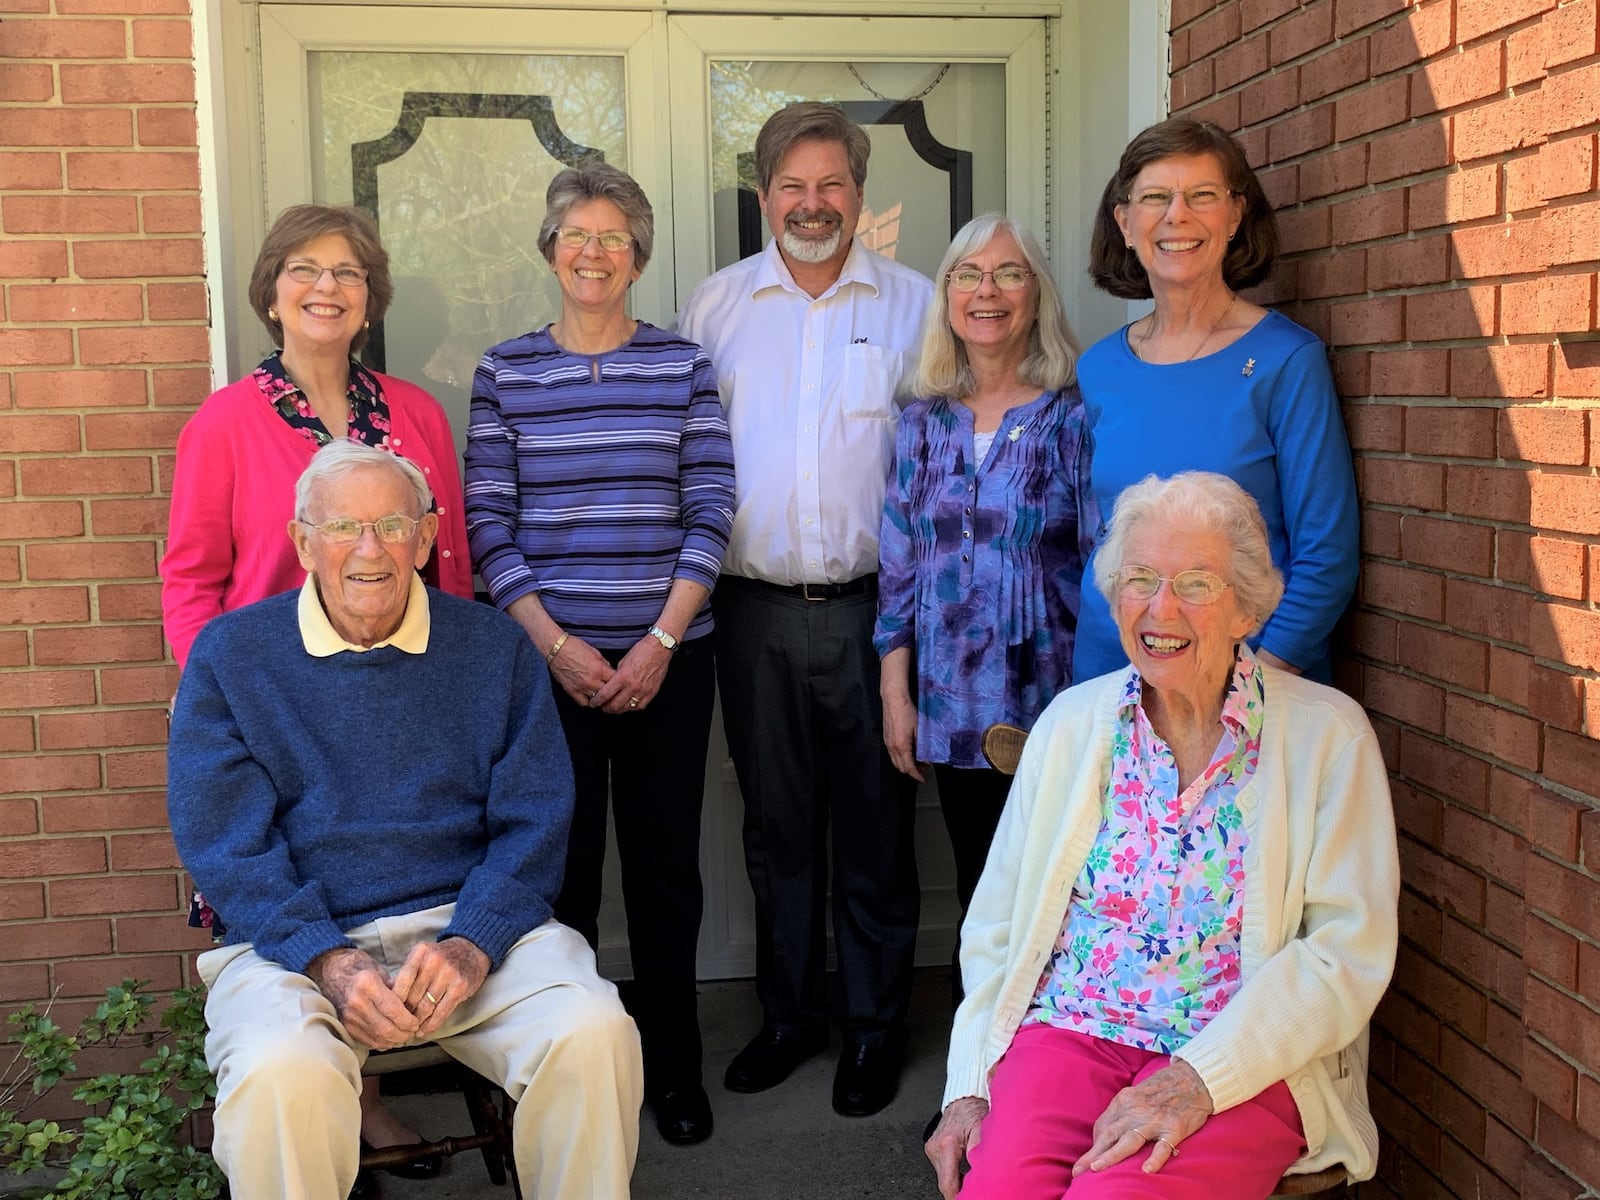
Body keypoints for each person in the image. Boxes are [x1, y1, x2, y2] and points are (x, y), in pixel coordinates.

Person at [167, 441, 643, 1200]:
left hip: (470, 931)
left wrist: (473, 943)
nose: (369, 549)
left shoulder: (492, 647)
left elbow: (536, 818)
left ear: (427, 538)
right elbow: (225, 842)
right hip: (294, 944)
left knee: (593, 1032)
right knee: (277, 1073)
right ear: (301, 542)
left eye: (393, 525)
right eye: (342, 528)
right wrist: (325, 956)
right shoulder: (232, 656)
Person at [926, 472, 1399, 1200]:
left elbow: (1345, 956)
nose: (1160, 607)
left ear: (1246, 607)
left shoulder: (1327, 737)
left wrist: (1199, 1078)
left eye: (1196, 583)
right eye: (1140, 578)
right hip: (1070, 1033)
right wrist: (966, 1086)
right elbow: (997, 924)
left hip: (1240, 1055)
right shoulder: (1073, 725)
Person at [159, 202, 473, 1174]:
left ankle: (369, 1095)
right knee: (307, 894)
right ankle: (317, 1105)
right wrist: (221, 699)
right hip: (275, 714)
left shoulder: (416, 414)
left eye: (346, 270)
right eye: (304, 268)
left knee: (392, 889)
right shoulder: (225, 422)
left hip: (404, 704)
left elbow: (450, 566)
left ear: (371, 296)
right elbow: (189, 576)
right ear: (272, 292)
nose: (326, 286)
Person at [463, 162, 735, 1147]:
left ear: (638, 257)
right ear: (549, 250)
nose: (592, 252)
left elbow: (710, 508)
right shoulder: (505, 372)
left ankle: (671, 1071)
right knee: (560, 875)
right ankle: (561, 1072)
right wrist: (560, 646)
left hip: (672, 661)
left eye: (613, 238)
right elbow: (487, 526)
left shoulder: (682, 366)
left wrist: (660, 640)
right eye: (576, 235)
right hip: (545, 669)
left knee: (665, 873)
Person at [676, 101, 934, 1117]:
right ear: (762, 196)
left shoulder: (918, 305)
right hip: (751, 615)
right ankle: (788, 1019)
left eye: (831, 184)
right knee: (777, 829)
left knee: (876, 828)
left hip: (880, 614)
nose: (812, 203)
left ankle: (873, 1031)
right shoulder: (716, 309)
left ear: (860, 195)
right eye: (793, 185)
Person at [875, 213, 1093, 1011]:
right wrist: (897, 696)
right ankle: (978, 1083)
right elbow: (898, 575)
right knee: (982, 894)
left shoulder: (1073, 417)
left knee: (1056, 895)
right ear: (946, 297)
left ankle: (1042, 1076)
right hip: (952, 704)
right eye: (968, 274)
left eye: (1009, 273)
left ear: (1035, 295)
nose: (987, 292)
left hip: (1052, 700)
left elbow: (1105, 559)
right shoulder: (922, 422)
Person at [1074, 117, 1359, 685]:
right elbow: (1100, 537)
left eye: (1201, 195)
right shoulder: (1099, 367)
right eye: (1155, 197)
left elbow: (1326, 553)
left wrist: (1259, 679)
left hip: (1246, 681)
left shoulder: (1285, 360)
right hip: (1113, 673)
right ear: (1125, 223)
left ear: (1234, 216)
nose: (1177, 215)